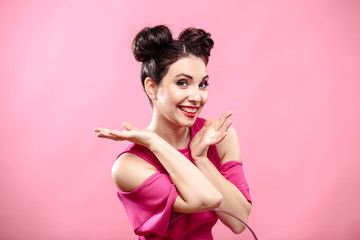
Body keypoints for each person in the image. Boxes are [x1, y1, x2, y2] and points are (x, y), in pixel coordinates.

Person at [94, 25, 252, 240]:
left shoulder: (216, 136)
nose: (196, 97)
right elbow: (206, 199)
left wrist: (201, 158)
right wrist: (153, 142)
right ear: (151, 87)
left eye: (202, 84)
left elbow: (238, 220)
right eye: (182, 83)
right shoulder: (130, 166)